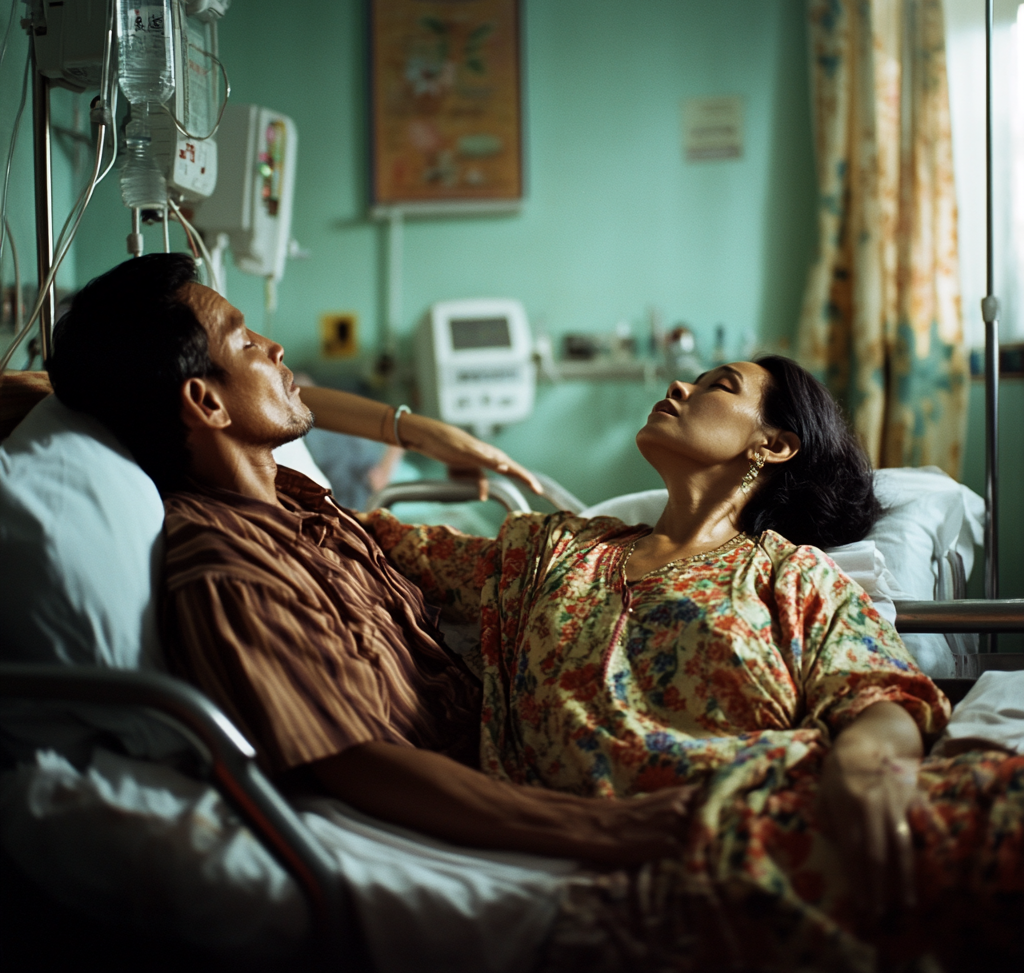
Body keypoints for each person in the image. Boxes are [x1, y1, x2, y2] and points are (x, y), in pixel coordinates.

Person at [360, 356, 1023, 971]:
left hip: (828, 800)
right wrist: (403, 430)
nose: (678, 388)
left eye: (718, 386)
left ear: (774, 444)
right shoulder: (549, 551)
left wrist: (867, 767)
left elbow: (879, 692)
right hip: (700, 846)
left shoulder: (789, 574)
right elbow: (349, 528)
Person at [46, 252, 694, 866]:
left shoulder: (303, 508)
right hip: (507, 786)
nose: (274, 348)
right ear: (206, 403)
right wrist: (604, 826)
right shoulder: (229, 571)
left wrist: (416, 430)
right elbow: (354, 762)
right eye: (245, 342)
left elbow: (298, 400)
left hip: (531, 732)